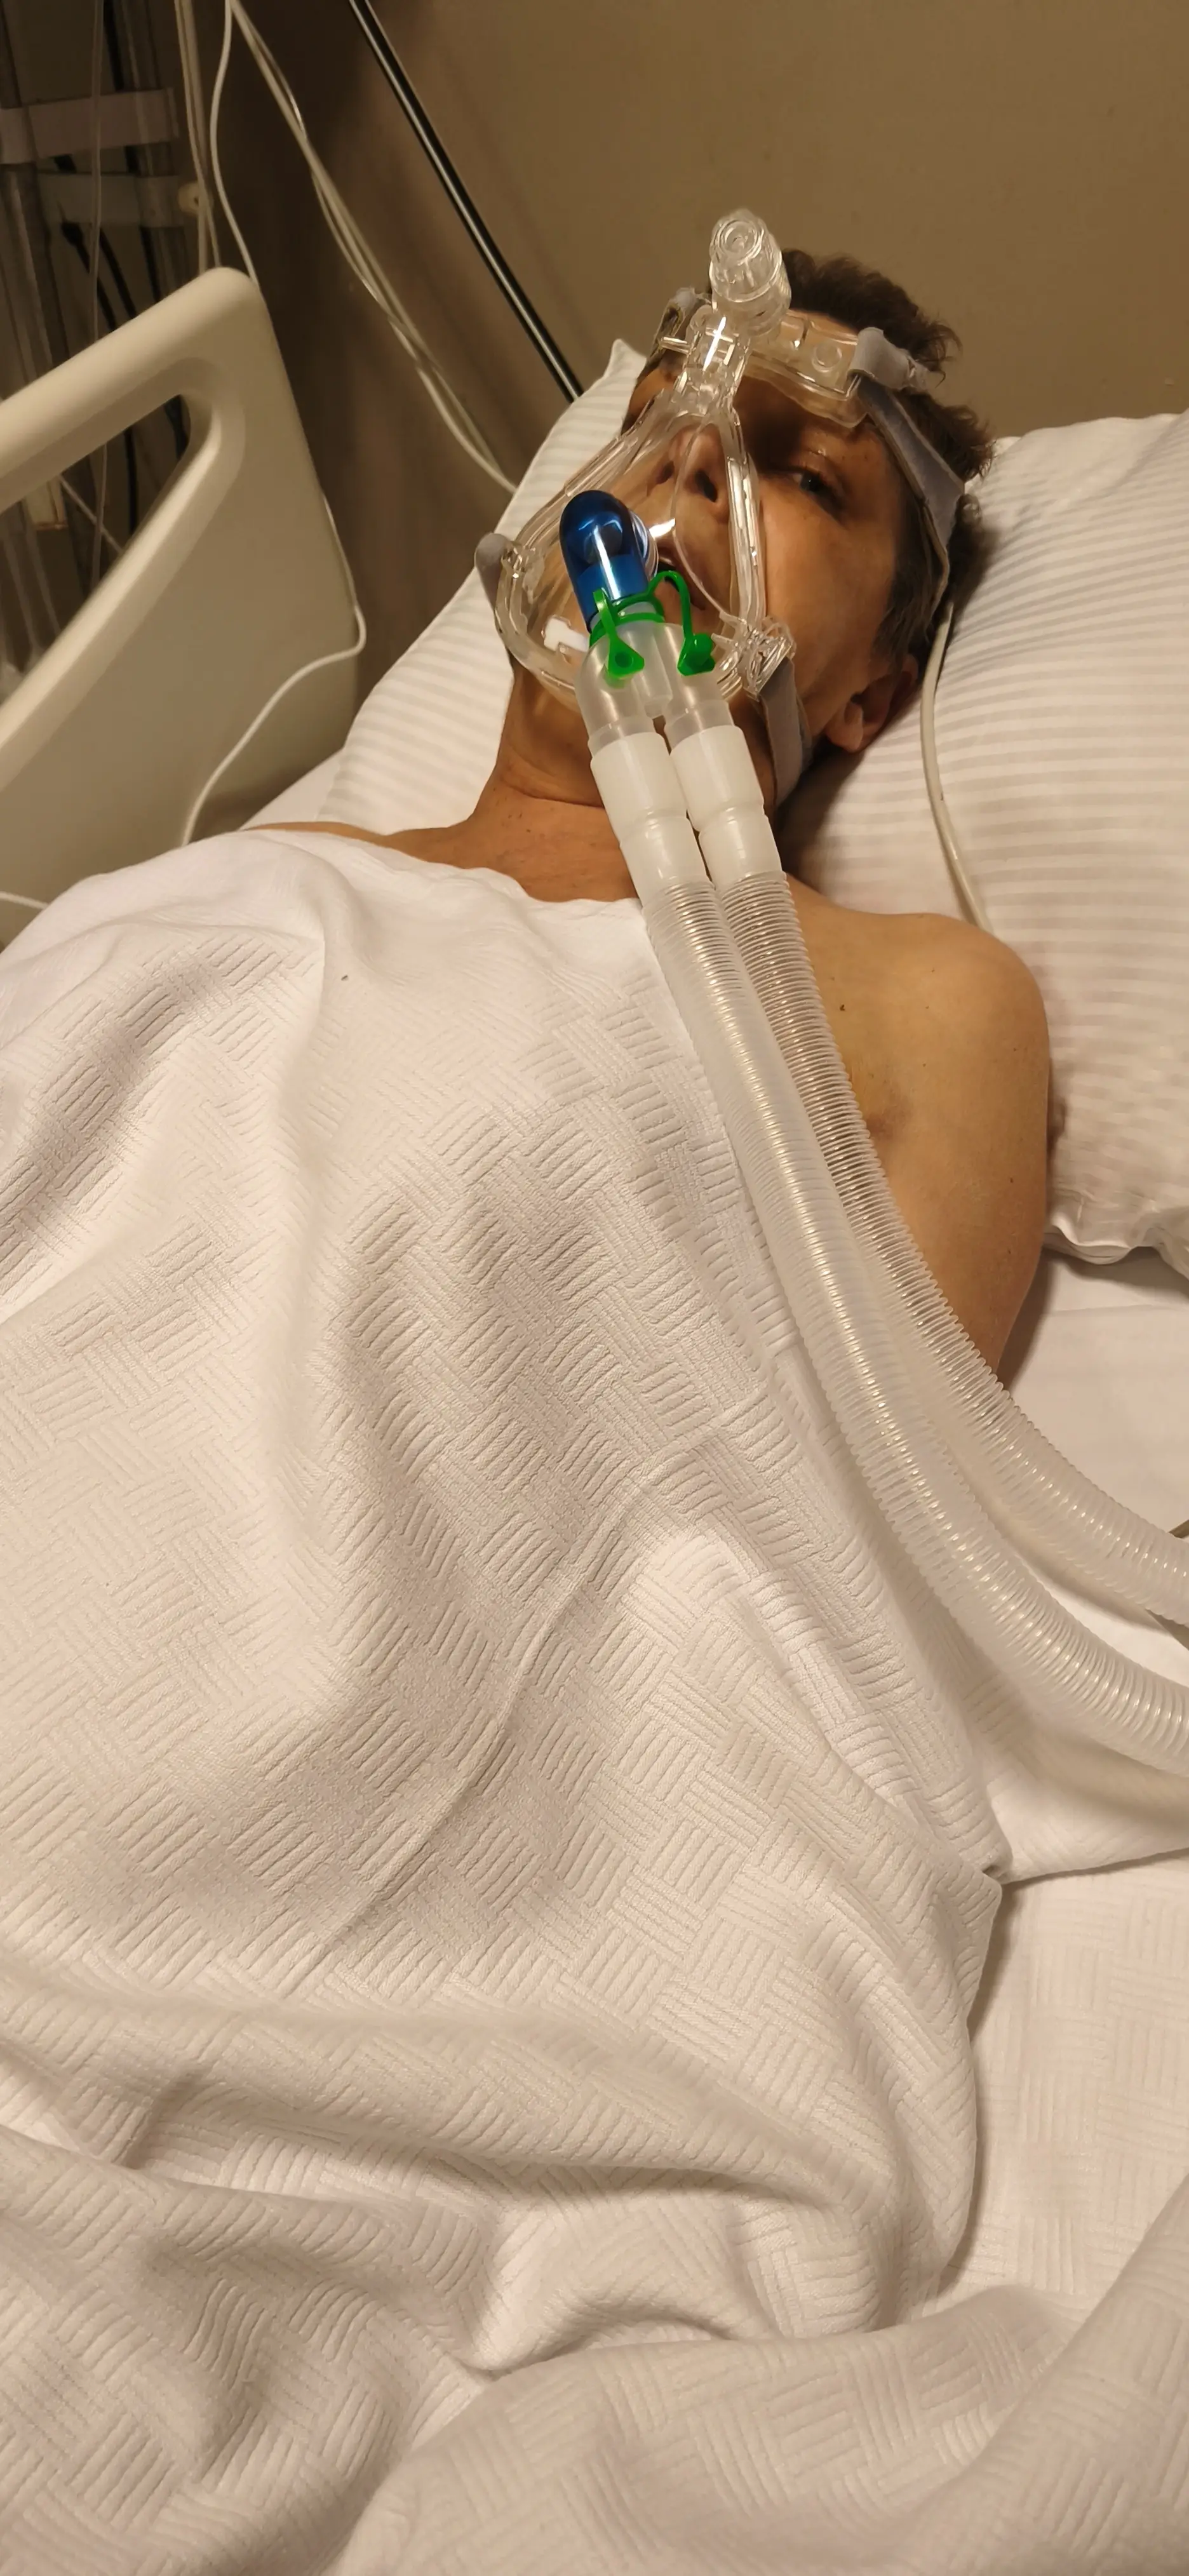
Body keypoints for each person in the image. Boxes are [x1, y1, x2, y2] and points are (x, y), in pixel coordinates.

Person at [280, 248, 1051, 1372]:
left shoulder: (928, 1006)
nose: (694, 459)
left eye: (806, 476)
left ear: (870, 696)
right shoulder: (282, 868)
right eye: (655, 419)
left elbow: (891, 1457)